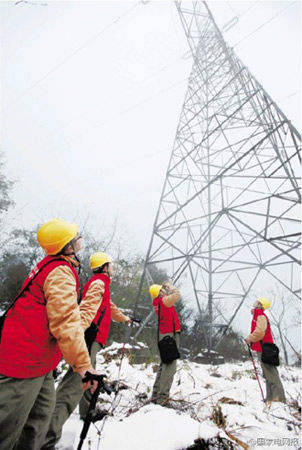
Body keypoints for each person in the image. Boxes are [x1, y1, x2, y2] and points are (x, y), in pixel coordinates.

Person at [0, 218, 99, 450]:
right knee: (6, 429)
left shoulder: (50, 265)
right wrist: (83, 366)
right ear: (67, 247)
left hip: (40, 362)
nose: (80, 243)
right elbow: (66, 322)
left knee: (38, 422)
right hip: (23, 362)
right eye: (76, 240)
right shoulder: (60, 273)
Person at [42, 252, 131, 450]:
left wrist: (125, 319)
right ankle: (45, 440)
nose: (113, 268)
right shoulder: (99, 284)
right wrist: (76, 337)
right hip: (87, 340)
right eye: (111, 265)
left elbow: (110, 307)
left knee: (84, 383)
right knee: (73, 388)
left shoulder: (100, 284)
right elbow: (86, 310)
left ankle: (85, 414)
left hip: (89, 340)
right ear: (105, 267)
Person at [245, 297, 286, 405]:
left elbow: (259, 332)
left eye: (258, 302)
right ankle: (270, 399)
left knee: (271, 374)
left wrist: (249, 338)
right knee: (268, 374)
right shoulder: (257, 315)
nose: (255, 302)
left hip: (265, 349)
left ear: (260, 305)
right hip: (263, 348)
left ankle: (279, 399)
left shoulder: (260, 316)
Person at [150, 281, 181, 406]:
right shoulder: (163, 301)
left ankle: (155, 396)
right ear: (160, 293)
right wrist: (171, 287)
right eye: (162, 291)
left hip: (164, 335)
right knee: (170, 367)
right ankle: (163, 399)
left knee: (164, 366)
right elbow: (177, 295)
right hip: (169, 336)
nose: (165, 292)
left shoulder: (158, 302)